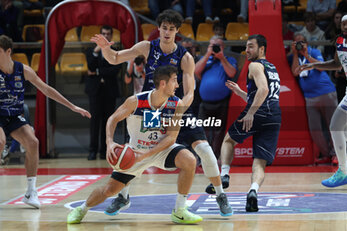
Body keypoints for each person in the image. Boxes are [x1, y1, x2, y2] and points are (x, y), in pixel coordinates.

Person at [91, 9, 232, 216]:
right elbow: (115, 58)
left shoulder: (185, 57)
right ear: (159, 29)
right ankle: (123, 196)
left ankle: (220, 194)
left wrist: (177, 111)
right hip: (151, 110)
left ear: (177, 31)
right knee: (133, 152)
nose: (167, 32)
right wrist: (104, 49)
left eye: (171, 29)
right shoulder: (147, 47)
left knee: (205, 150)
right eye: (164, 28)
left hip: (177, 108)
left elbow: (190, 92)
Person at [67, 65, 203, 224]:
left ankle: (180, 211)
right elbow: (112, 119)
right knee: (109, 190)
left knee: (190, 160)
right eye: (174, 81)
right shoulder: (136, 101)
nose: (177, 85)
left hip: (161, 150)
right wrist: (109, 142)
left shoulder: (177, 104)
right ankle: (82, 209)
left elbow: (171, 139)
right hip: (135, 151)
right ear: (163, 84)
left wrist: (145, 155)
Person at [0, 35, 91, 209]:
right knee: (0, 141)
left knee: (33, 142)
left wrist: (72, 107)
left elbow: (46, 89)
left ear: (8, 51)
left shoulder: (23, 70)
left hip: (13, 115)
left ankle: (30, 192)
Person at [206, 34, 281, 212]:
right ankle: (253, 191)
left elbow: (263, 90)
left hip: (259, 111)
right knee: (260, 161)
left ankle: (224, 175)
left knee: (228, 140)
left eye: (251, 46)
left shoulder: (255, 65)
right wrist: (240, 92)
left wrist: (251, 113)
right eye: (246, 47)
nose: (247, 50)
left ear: (262, 49)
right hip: (274, 115)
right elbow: (263, 94)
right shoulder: (272, 67)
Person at [300, 14, 347, 187]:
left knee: (336, 126)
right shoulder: (339, 42)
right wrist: (314, 65)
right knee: (343, 131)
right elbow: (337, 64)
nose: (345, 27)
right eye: (343, 24)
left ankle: (343, 171)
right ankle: (344, 171)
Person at [288, 33, 337, 164]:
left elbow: (321, 67)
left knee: (333, 126)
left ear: (307, 43)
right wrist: (296, 54)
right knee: (315, 129)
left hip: (326, 93)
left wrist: (306, 55)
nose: (299, 45)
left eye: (301, 42)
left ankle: (336, 155)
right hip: (309, 98)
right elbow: (295, 72)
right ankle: (327, 154)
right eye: (296, 42)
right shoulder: (294, 57)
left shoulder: (314, 52)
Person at [194, 36, 237, 159]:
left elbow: (231, 73)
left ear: (223, 48)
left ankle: (216, 156)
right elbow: (196, 71)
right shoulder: (204, 59)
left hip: (222, 102)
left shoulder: (229, 59)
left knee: (219, 132)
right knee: (203, 131)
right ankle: (203, 157)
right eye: (212, 45)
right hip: (205, 102)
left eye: (217, 45)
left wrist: (221, 57)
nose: (215, 48)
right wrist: (208, 54)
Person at [85, 25, 122, 160]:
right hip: (95, 91)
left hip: (109, 90)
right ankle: (92, 150)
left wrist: (98, 72)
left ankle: (104, 150)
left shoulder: (115, 51)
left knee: (108, 121)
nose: (106, 36)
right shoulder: (91, 51)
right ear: (100, 35)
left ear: (111, 36)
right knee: (94, 120)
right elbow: (90, 66)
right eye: (103, 34)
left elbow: (114, 70)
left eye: (108, 34)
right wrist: (97, 49)